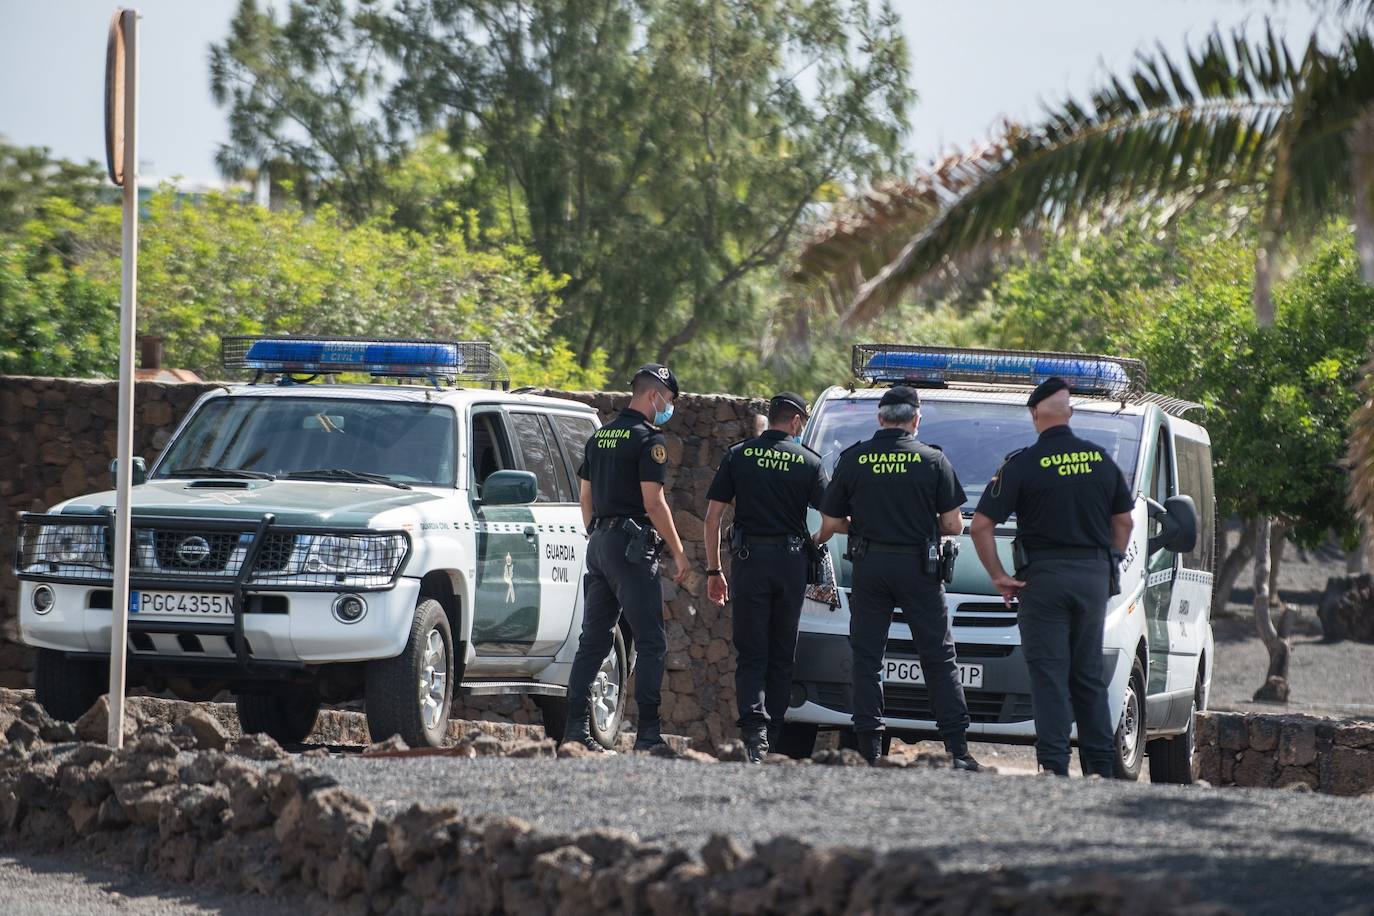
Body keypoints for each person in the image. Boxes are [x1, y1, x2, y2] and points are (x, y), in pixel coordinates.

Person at [969, 377, 1134, 777]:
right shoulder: (1099, 458)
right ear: (1070, 413)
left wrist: (998, 576)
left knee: (1049, 675)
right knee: (1088, 675)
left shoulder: (1022, 463)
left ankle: (1055, 769)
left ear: (1033, 415)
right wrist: (1107, 563)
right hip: (1092, 579)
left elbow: (980, 525)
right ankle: (1100, 770)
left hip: (1042, 580)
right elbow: (1125, 522)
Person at [815, 386, 982, 769]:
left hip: (870, 567)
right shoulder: (933, 460)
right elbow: (954, 524)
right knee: (938, 658)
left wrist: (866, 525)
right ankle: (958, 750)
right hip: (919, 569)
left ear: (880, 418)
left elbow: (831, 521)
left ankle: (870, 750)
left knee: (867, 658)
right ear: (915, 420)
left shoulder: (855, 458)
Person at [564, 364, 690, 753]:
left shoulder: (599, 437)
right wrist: (679, 553)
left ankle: (574, 731)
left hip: (599, 543)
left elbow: (585, 498)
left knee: (594, 641)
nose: (667, 408)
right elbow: (654, 503)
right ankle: (649, 735)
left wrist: (598, 535)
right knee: (652, 642)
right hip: (631, 549)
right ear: (654, 396)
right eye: (667, 401)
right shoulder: (648, 439)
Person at [703, 392, 827, 762]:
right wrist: (816, 540)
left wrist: (714, 570)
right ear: (795, 422)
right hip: (790, 565)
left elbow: (712, 518)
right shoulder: (809, 462)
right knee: (781, 653)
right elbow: (836, 517)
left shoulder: (739, 455)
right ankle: (771, 734)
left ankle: (754, 735)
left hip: (749, 561)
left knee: (751, 652)